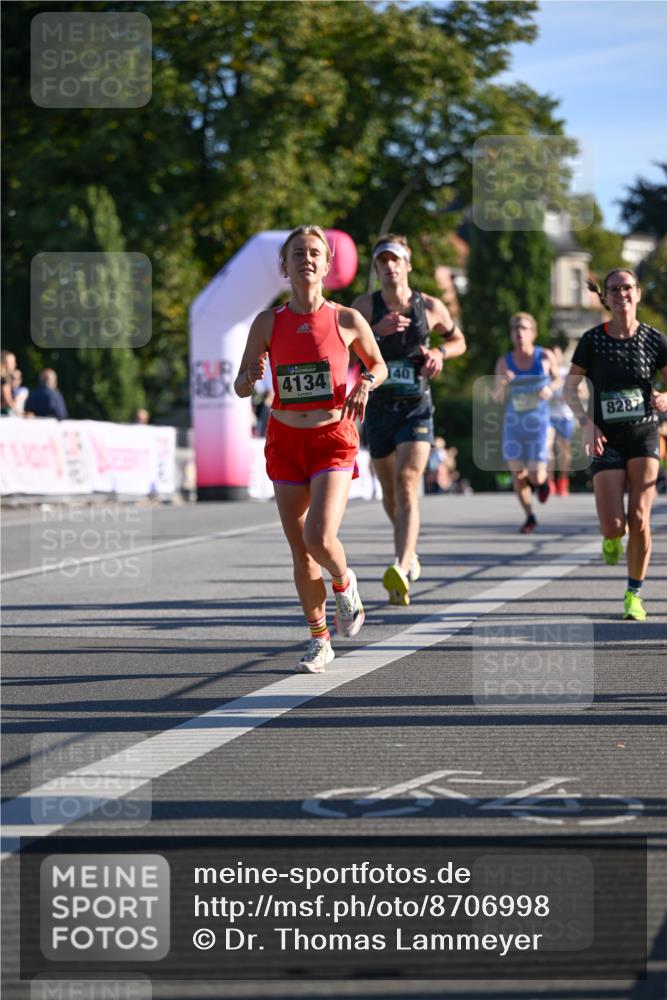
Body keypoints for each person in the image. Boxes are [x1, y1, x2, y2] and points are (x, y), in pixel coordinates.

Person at [234, 225, 387, 673]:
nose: (306, 259)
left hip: (332, 437)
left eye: (315, 252)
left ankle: (344, 581)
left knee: (318, 536)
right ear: (284, 265)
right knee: (300, 553)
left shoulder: (346, 320)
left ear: (327, 264)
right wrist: (248, 378)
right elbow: (242, 385)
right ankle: (320, 641)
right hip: (285, 440)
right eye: (297, 252)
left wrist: (365, 385)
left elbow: (377, 365)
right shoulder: (268, 323)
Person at [352, 233, 466, 606]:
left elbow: (459, 339)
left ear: (407, 265)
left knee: (407, 481)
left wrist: (441, 353)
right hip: (379, 408)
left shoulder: (429, 306)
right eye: (381, 261)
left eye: (394, 260)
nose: (388, 267)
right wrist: (374, 335)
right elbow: (341, 351)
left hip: (416, 406)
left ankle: (400, 567)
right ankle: (411, 552)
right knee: (389, 493)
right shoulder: (364, 308)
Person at [565, 268, 667, 621]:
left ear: (638, 293)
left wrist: (666, 397)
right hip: (605, 437)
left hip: (643, 434)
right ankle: (611, 538)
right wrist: (586, 422)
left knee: (640, 517)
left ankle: (633, 594)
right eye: (614, 289)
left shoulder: (655, 340)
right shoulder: (593, 340)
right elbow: (569, 387)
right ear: (605, 297)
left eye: (627, 287)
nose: (621, 293)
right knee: (614, 525)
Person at [494, 313, 560, 534]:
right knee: (517, 473)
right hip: (514, 425)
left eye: (523, 329)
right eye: (515, 329)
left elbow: (559, 379)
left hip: (538, 425)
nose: (519, 333)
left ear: (533, 333)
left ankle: (542, 484)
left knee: (535, 474)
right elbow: (496, 397)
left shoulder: (545, 356)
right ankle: (530, 516)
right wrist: (503, 384)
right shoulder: (504, 362)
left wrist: (549, 388)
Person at [547, 335, 575, 496]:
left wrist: (569, 395)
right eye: (552, 355)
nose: (555, 358)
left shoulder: (567, 373)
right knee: (547, 447)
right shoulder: (544, 373)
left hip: (565, 416)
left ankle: (563, 480)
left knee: (564, 450)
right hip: (549, 416)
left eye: (557, 355)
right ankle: (549, 482)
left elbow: (582, 392)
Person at [1, 350, 19, 416]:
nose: (15, 364)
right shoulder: (3, 379)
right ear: (4, 363)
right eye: (12, 362)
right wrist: (19, 413)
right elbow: (7, 400)